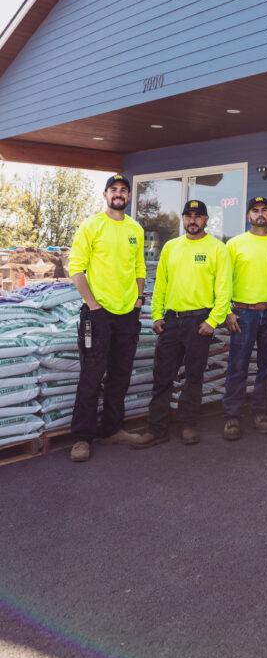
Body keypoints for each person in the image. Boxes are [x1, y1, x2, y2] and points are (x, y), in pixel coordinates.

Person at [134, 199, 231, 448]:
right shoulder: (171, 247)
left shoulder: (218, 249)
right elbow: (161, 285)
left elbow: (224, 291)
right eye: (188, 216)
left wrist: (212, 321)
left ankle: (188, 424)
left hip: (199, 322)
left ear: (206, 219)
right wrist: (157, 316)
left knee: (193, 376)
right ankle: (157, 429)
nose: (193, 220)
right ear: (183, 219)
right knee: (162, 376)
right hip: (171, 321)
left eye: (198, 216)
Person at [68, 174, 146, 462]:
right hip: (98, 314)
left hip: (127, 314)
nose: (119, 194)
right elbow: (76, 268)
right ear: (105, 194)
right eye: (113, 189)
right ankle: (81, 437)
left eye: (123, 190)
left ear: (129, 196)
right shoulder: (92, 225)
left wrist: (138, 299)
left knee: (120, 373)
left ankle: (112, 429)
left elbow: (139, 267)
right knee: (92, 374)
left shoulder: (135, 229)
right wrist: (93, 305)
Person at [222, 195, 267, 440]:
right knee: (238, 365)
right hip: (242, 313)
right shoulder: (234, 244)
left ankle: (260, 412)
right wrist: (227, 311)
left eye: (264, 210)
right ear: (248, 215)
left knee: (266, 366)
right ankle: (232, 416)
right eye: (255, 210)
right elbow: (223, 281)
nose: (260, 214)